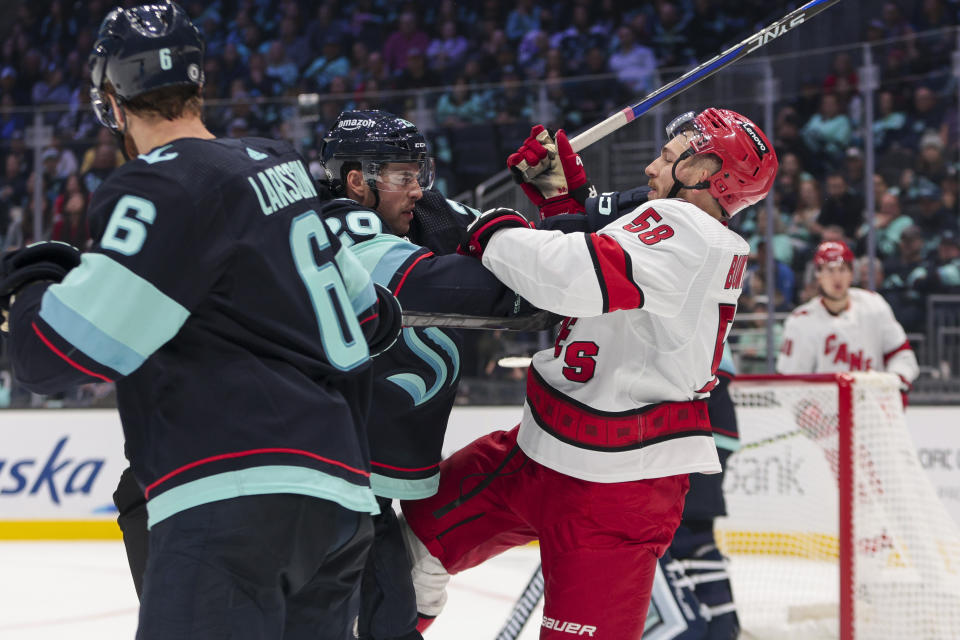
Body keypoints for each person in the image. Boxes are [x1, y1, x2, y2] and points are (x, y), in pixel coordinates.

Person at [0, 4, 402, 639]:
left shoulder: (159, 187)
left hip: (233, 505)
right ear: (197, 82)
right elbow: (374, 317)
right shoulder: (281, 166)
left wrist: (30, 286)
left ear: (110, 99)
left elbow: (54, 356)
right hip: (341, 508)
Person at [399, 108, 778, 637]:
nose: (650, 167)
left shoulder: (691, 230)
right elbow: (600, 243)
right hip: (537, 452)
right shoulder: (676, 230)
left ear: (703, 170)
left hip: (614, 492)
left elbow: (569, 274)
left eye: (667, 158)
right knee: (408, 548)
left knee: (408, 555)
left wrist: (488, 227)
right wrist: (559, 198)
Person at [776, 240, 919, 397]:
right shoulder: (800, 321)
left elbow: (901, 354)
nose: (837, 277)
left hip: (872, 409)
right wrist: (805, 409)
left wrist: (898, 378)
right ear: (818, 274)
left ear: (851, 273)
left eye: (842, 269)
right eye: (830, 270)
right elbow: (790, 381)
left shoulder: (873, 305)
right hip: (824, 413)